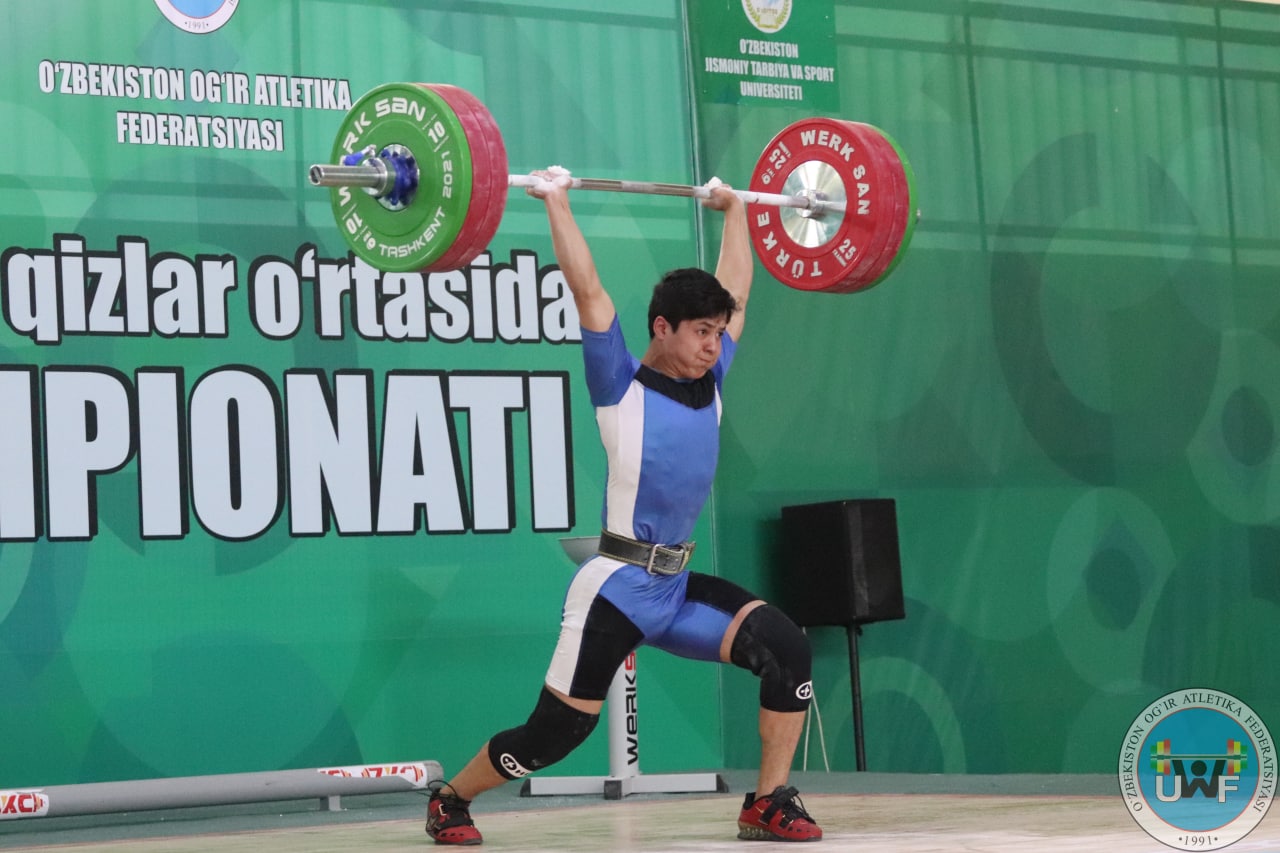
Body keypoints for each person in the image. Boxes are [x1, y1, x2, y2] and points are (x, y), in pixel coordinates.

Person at [425, 167, 822, 845]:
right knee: (555, 734)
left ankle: (767, 801)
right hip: (616, 589)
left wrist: (735, 210)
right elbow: (588, 289)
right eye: (701, 331)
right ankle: (451, 797)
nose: (713, 343)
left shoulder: (712, 379)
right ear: (662, 327)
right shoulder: (619, 383)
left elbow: (738, 286)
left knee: (786, 648)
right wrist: (556, 200)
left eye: (718, 331)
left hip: (676, 587)